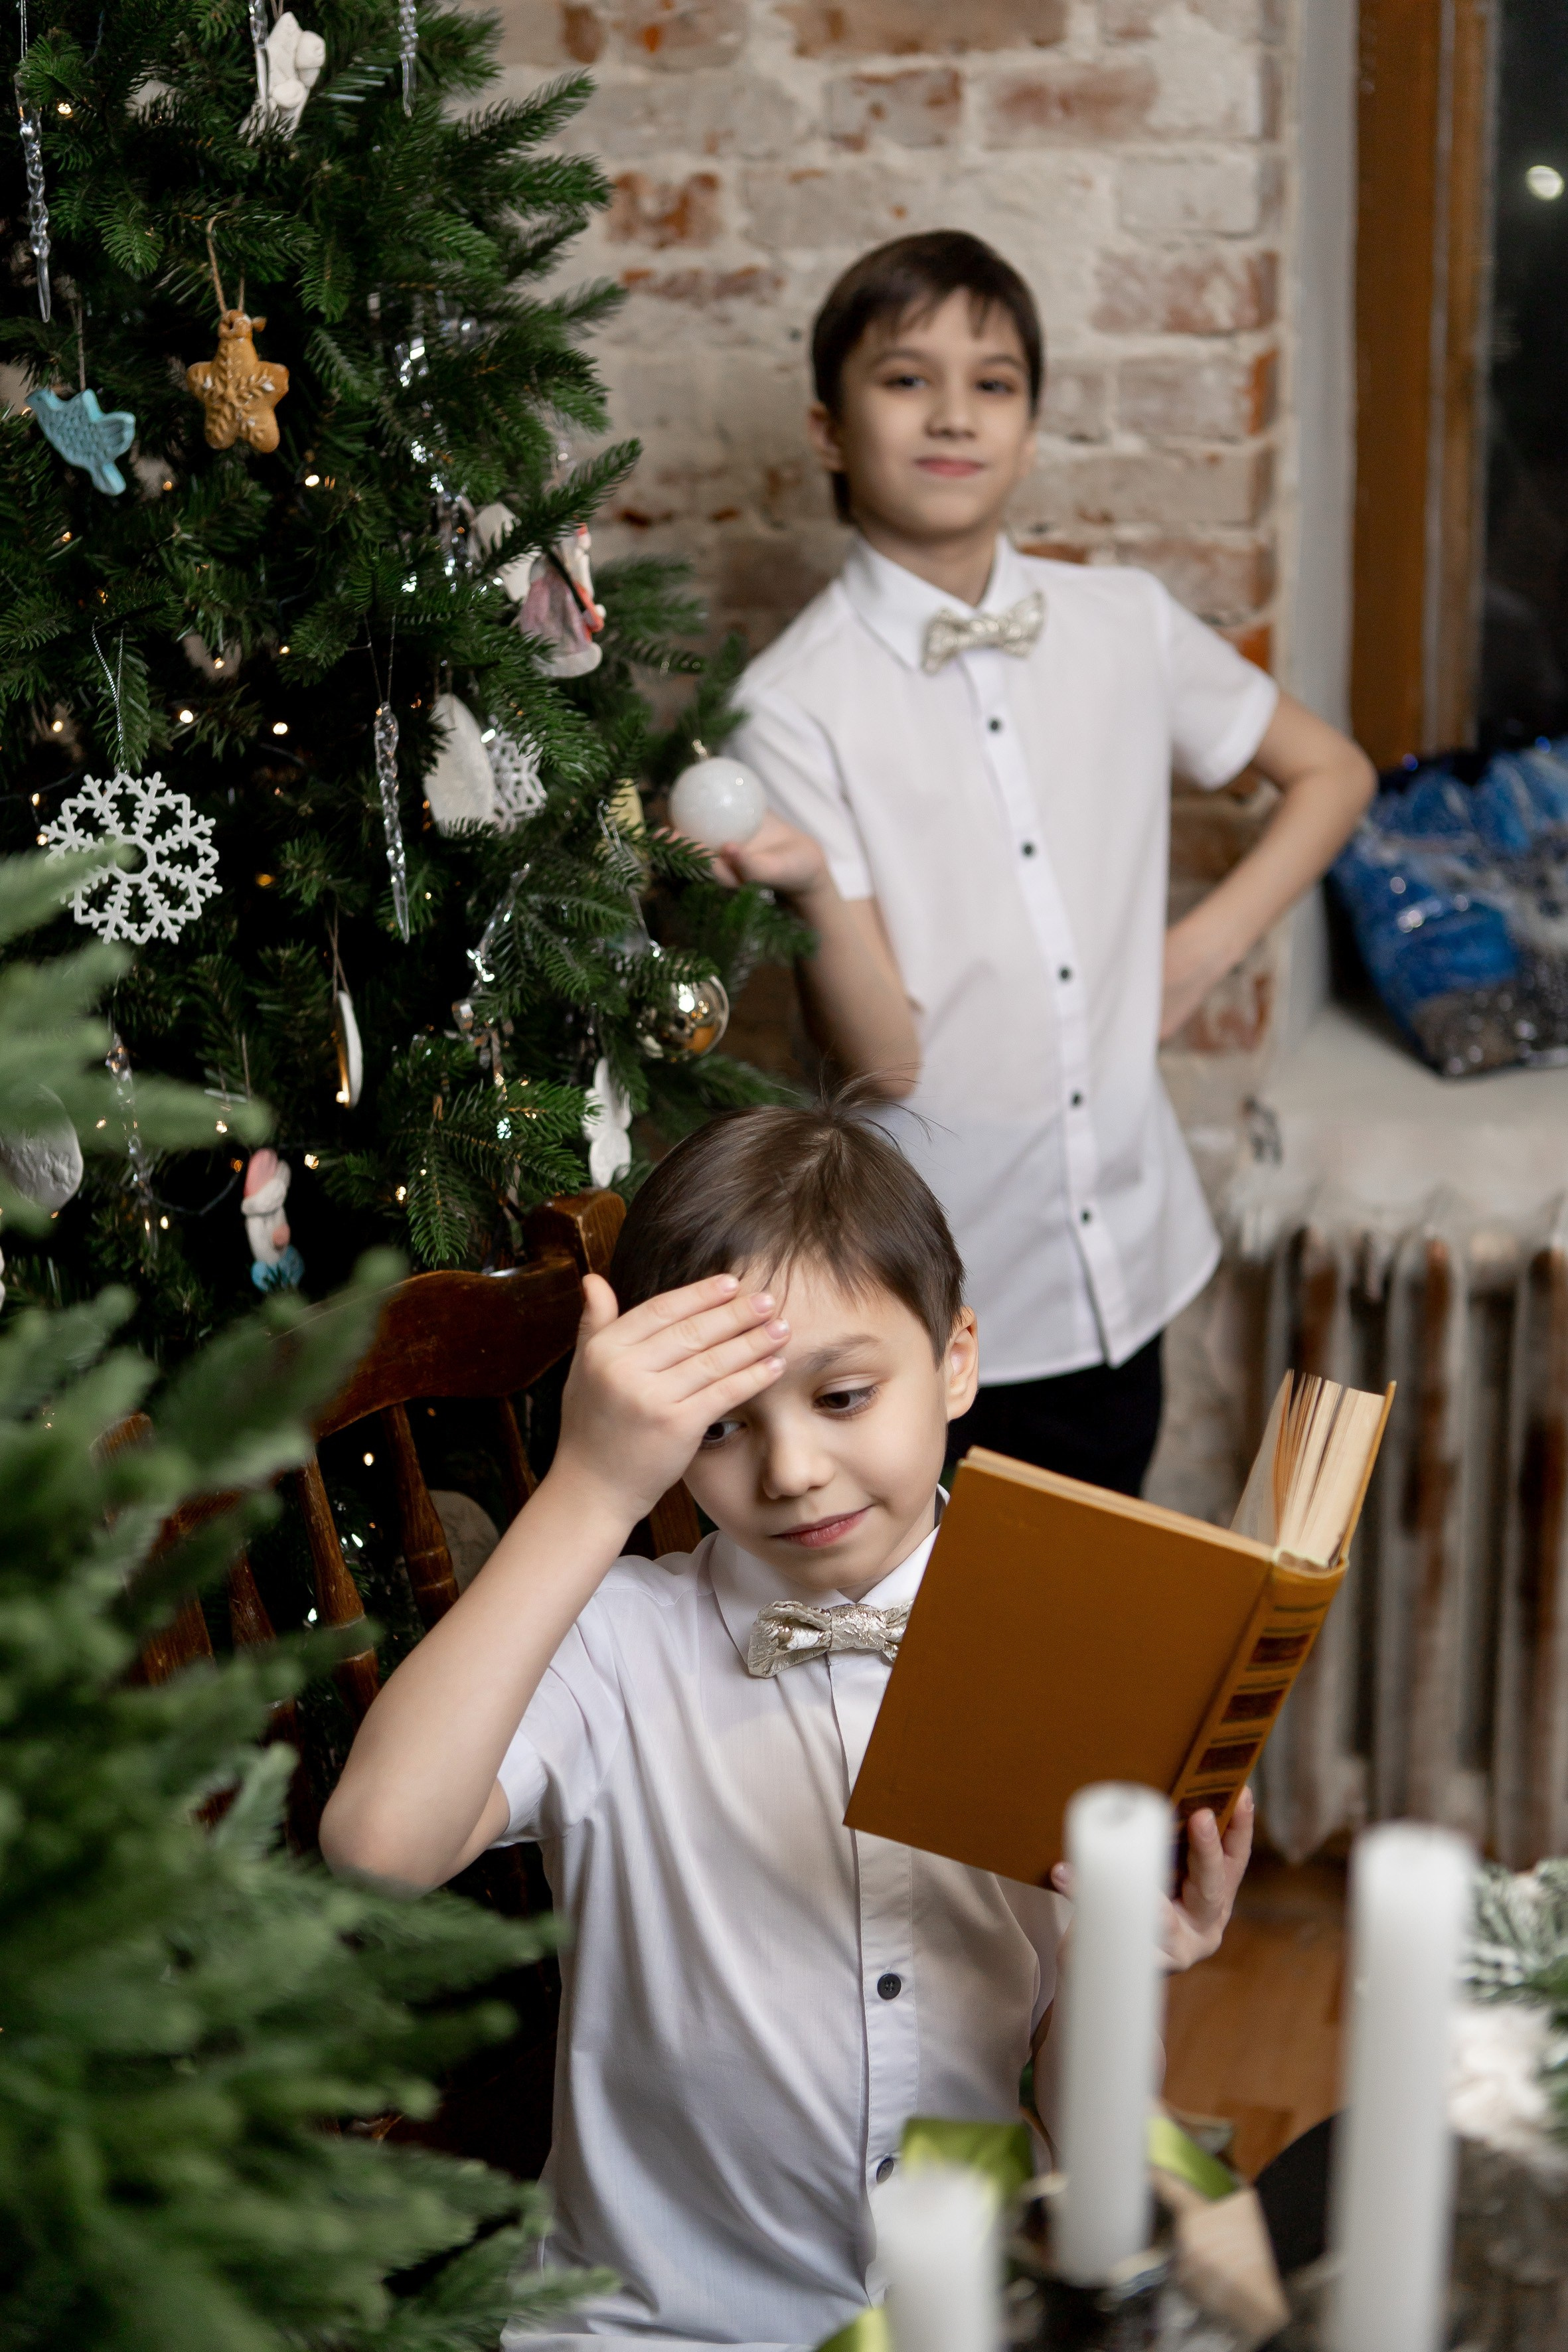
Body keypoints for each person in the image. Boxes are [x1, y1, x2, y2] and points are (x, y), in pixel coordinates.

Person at [320, 1102, 1254, 2350]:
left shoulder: (1059, 1649)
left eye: (844, 1396)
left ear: (956, 1360)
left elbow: (1090, 2133)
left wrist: (1124, 1954)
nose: (791, 1470)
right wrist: (591, 1484)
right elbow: (379, 1844)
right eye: (720, 1426)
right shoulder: (615, 1638)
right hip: (656, 2329)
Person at [712, 230, 1377, 1496]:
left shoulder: (1123, 623)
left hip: (1125, 1258)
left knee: (1096, 1591)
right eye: (905, 379)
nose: (953, 414)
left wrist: (1199, 950)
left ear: (1027, 428)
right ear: (828, 431)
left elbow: (1331, 772)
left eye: (994, 383)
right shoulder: (790, 707)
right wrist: (804, 883)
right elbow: (886, 1068)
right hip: (932, 1299)